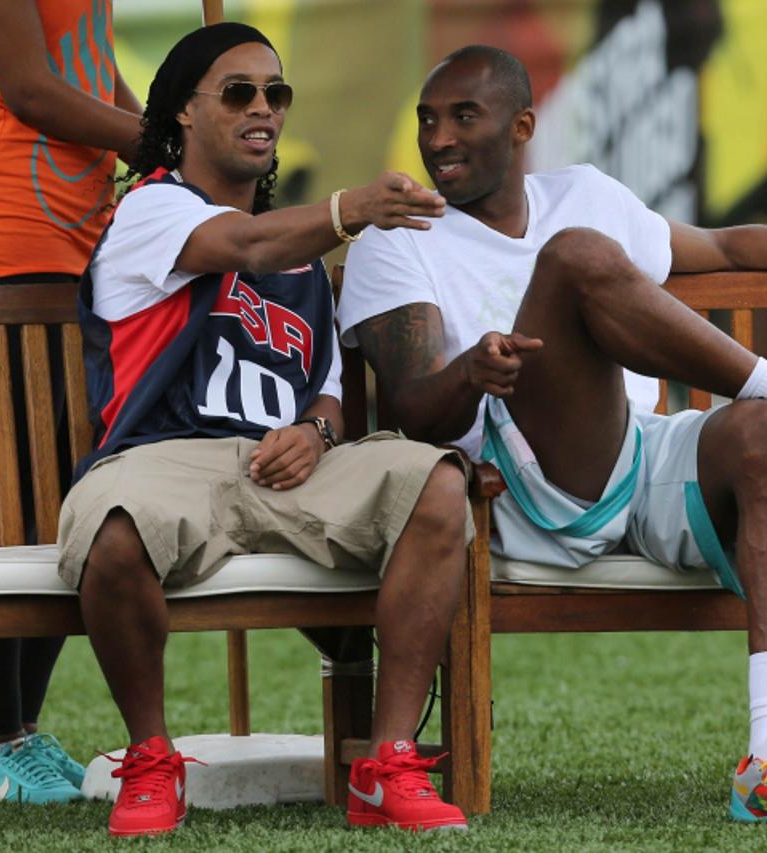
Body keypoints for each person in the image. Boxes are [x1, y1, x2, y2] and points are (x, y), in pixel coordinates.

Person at [337, 45, 767, 827]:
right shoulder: (397, 237)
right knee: (575, 256)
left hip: (636, 455)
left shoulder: (584, 192)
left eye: (462, 116)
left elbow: (732, 247)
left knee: (763, 428)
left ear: (521, 126)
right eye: (426, 120)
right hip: (524, 485)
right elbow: (415, 410)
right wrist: (471, 372)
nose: (437, 138)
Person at [56, 23, 473, 837]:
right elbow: (242, 245)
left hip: (288, 470)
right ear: (182, 111)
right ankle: (151, 758)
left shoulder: (303, 259)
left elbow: (326, 396)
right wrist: (352, 208)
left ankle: (386, 762)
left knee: (436, 483)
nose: (263, 109)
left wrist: (315, 433)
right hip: (165, 458)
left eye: (275, 94)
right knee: (113, 528)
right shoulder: (152, 207)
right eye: (238, 92)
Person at [0, 0, 143, 804]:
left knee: (63, 501)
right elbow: (30, 89)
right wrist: (162, 140)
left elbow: (92, 70)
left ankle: (21, 730)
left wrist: (172, 129)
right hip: (4, 237)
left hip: (81, 237)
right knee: (4, 505)